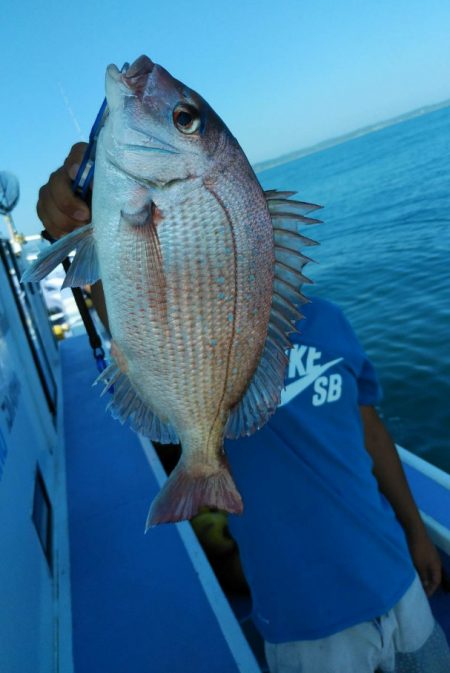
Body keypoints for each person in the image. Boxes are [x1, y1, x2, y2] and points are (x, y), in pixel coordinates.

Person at [37, 142, 450, 673]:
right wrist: (72, 227)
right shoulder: (199, 337)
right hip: (304, 625)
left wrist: (417, 532)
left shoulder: (331, 321)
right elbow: (130, 309)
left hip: (399, 579)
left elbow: (369, 431)